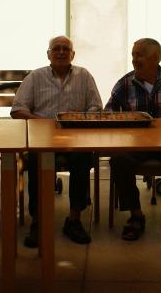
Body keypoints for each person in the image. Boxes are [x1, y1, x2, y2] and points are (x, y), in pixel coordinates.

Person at [104, 38, 161, 242]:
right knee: (119, 160)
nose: (134, 59)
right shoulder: (125, 82)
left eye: (139, 55)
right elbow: (109, 112)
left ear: (156, 58)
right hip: (136, 144)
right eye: (133, 54)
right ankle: (135, 215)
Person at [11, 35, 102, 247]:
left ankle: (74, 220)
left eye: (65, 49)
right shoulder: (35, 77)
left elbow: (96, 107)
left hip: (74, 138)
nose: (61, 52)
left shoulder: (84, 75)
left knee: (82, 158)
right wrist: (44, 123)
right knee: (36, 160)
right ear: (48, 54)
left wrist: (78, 120)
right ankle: (38, 221)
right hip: (42, 139)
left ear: (73, 54)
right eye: (56, 48)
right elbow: (18, 109)